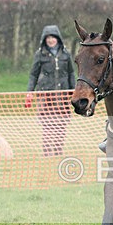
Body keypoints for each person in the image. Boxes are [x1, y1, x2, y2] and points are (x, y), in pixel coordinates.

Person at [27, 25, 75, 157]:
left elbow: (71, 73)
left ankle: (58, 149)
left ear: (58, 38)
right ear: (44, 39)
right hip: (46, 95)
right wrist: (30, 91)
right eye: (48, 38)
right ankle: (47, 151)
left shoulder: (66, 54)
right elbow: (33, 74)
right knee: (47, 125)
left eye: (53, 37)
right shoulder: (39, 54)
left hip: (63, 96)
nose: (51, 40)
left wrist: (74, 91)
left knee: (61, 124)